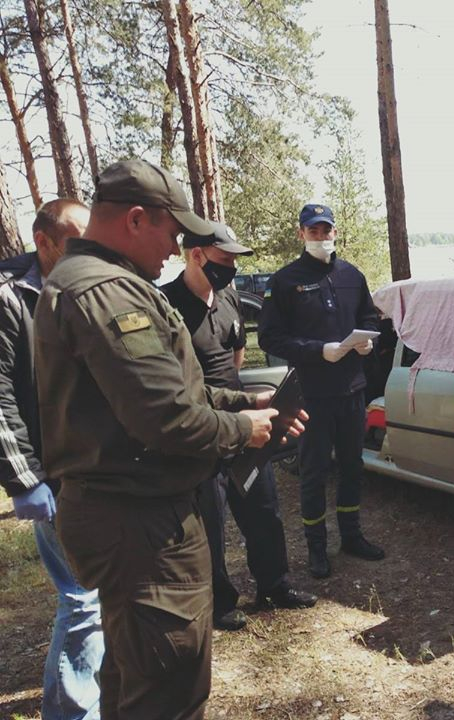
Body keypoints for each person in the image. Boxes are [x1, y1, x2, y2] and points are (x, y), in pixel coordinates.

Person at [33, 159, 304, 720]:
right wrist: (244, 430)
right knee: (168, 688)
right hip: (140, 525)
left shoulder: (95, 282)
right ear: (136, 219)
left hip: (132, 516)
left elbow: (169, 389)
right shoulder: (107, 292)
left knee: (135, 677)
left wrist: (243, 402)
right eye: (173, 232)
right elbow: (167, 419)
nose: (176, 247)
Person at [160, 222, 317, 631]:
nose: (231, 266)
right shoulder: (166, 305)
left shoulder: (228, 296)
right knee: (210, 522)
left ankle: (275, 585)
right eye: (225, 258)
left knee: (264, 509)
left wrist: (249, 406)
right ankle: (220, 602)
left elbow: (237, 351)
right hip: (201, 430)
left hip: (245, 423)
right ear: (196, 255)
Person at [0, 199, 104, 720]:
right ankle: (72, 712)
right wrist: (23, 479)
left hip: (94, 468)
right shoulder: (10, 296)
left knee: (96, 594)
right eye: (75, 238)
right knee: (83, 598)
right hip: (51, 473)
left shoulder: (83, 287)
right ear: (44, 241)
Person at [258, 203, 383, 579]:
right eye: (313, 231)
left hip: (351, 390)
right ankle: (316, 548)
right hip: (311, 394)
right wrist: (317, 350)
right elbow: (270, 336)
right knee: (313, 472)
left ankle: (351, 535)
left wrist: (368, 341)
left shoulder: (351, 275)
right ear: (302, 234)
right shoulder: (284, 281)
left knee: (351, 466)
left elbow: (369, 315)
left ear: (334, 232)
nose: (321, 236)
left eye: (326, 230)